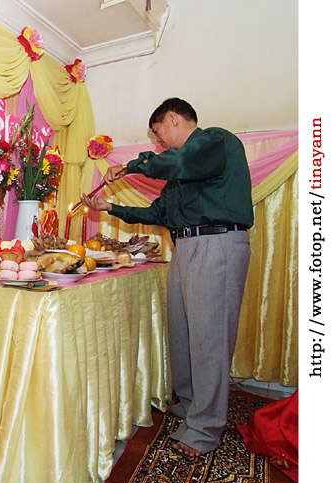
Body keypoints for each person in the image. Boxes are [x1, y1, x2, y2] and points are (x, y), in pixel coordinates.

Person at [81, 98, 253, 458]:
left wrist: (131, 166)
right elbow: (159, 213)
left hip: (217, 244)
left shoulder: (214, 142)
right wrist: (109, 207)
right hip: (186, 247)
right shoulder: (181, 173)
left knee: (209, 339)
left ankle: (205, 428)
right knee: (184, 335)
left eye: (158, 135)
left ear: (173, 118)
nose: (159, 144)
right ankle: (190, 407)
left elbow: (177, 161)